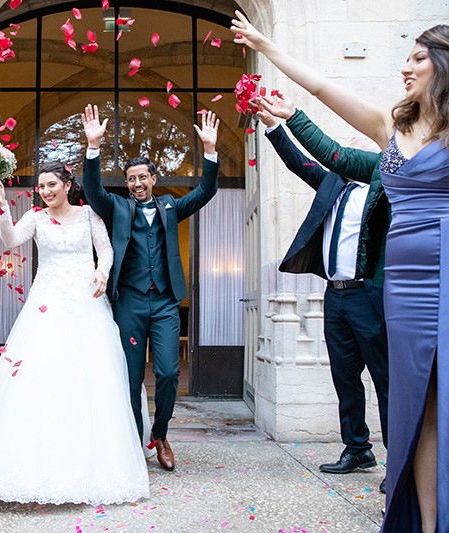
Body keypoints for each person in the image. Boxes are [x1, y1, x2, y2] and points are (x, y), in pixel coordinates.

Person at [231, 14, 449, 532]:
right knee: (414, 409)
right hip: (402, 287)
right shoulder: (389, 129)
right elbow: (323, 88)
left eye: (417, 57)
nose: (405, 68)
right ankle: (422, 521)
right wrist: (267, 45)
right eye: (405, 57)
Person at [0, 162, 150, 504]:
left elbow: (105, 249)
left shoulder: (89, 214)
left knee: (91, 376)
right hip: (46, 301)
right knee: (41, 373)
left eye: (51, 184)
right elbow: (10, 240)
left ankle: (92, 460)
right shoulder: (34, 218)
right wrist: (1, 207)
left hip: (86, 301)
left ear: (67, 185)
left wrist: (101, 272)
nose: (45, 191)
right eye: (41, 187)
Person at [256, 96, 389, 492]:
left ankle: (398, 459)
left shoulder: (384, 189)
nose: (338, 163)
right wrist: (273, 127)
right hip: (335, 296)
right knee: (344, 376)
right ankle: (357, 447)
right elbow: (299, 163)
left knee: (384, 379)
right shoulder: (332, 184)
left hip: (369, 296)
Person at [81, 105, 220, 471]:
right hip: (128, 303)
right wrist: (93, 146)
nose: (137, 184)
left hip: (165, 303)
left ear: (153, 178)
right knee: (130, 376)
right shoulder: (119, 208)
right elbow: (93, 190)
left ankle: (160, 435)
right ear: (126, 183)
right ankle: (131, 440)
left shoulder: (172, 206)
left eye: (142, 177)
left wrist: (210, 151)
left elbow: (206, 190)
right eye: (131, 179)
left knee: (169, 373)